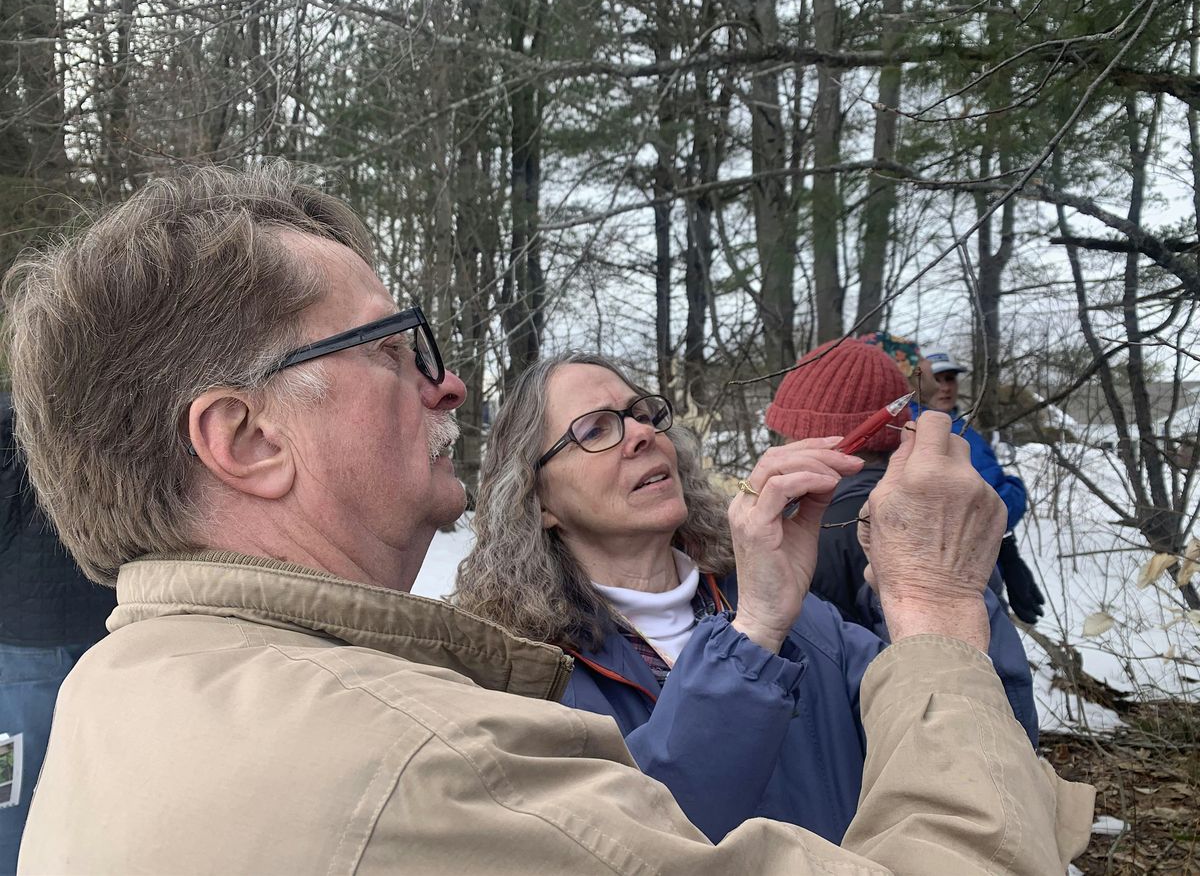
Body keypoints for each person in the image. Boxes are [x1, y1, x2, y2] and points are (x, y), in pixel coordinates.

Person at [6, 164, 1091, 874]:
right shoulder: (451, 732)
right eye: (394, 347)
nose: (449, 386)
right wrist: (937, 599)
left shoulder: (126, 684)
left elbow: (990, 740)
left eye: (644, 415)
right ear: (245, 439)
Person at [454, 351, 1038, 846]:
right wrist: (753, 634)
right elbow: (637, 846)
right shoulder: (521, 678)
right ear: (539, 502)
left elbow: (987, 751)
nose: (640, 434)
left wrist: (933, 588)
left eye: (642, 413)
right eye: (595, 430)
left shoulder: (801, 616)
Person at [764, 339, 1035, 730]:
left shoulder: (829, 531)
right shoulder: (928, 509)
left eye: (788, 435)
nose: (781, 448)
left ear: (820, 441)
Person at [0, 395, 115, 875]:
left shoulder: (11, 423)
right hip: (108, 634)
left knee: (11, 805)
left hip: (24, 656)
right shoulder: (116, 415)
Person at [915, 345, 1045, 624]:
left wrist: (1009, 553)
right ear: (918, 383)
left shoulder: (956, 425)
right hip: (965, 572)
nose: (945, 386)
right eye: (937, 379)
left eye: (950, 378)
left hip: (978, 561)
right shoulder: (933, 431)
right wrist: (1016, 488)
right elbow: (989, 504)